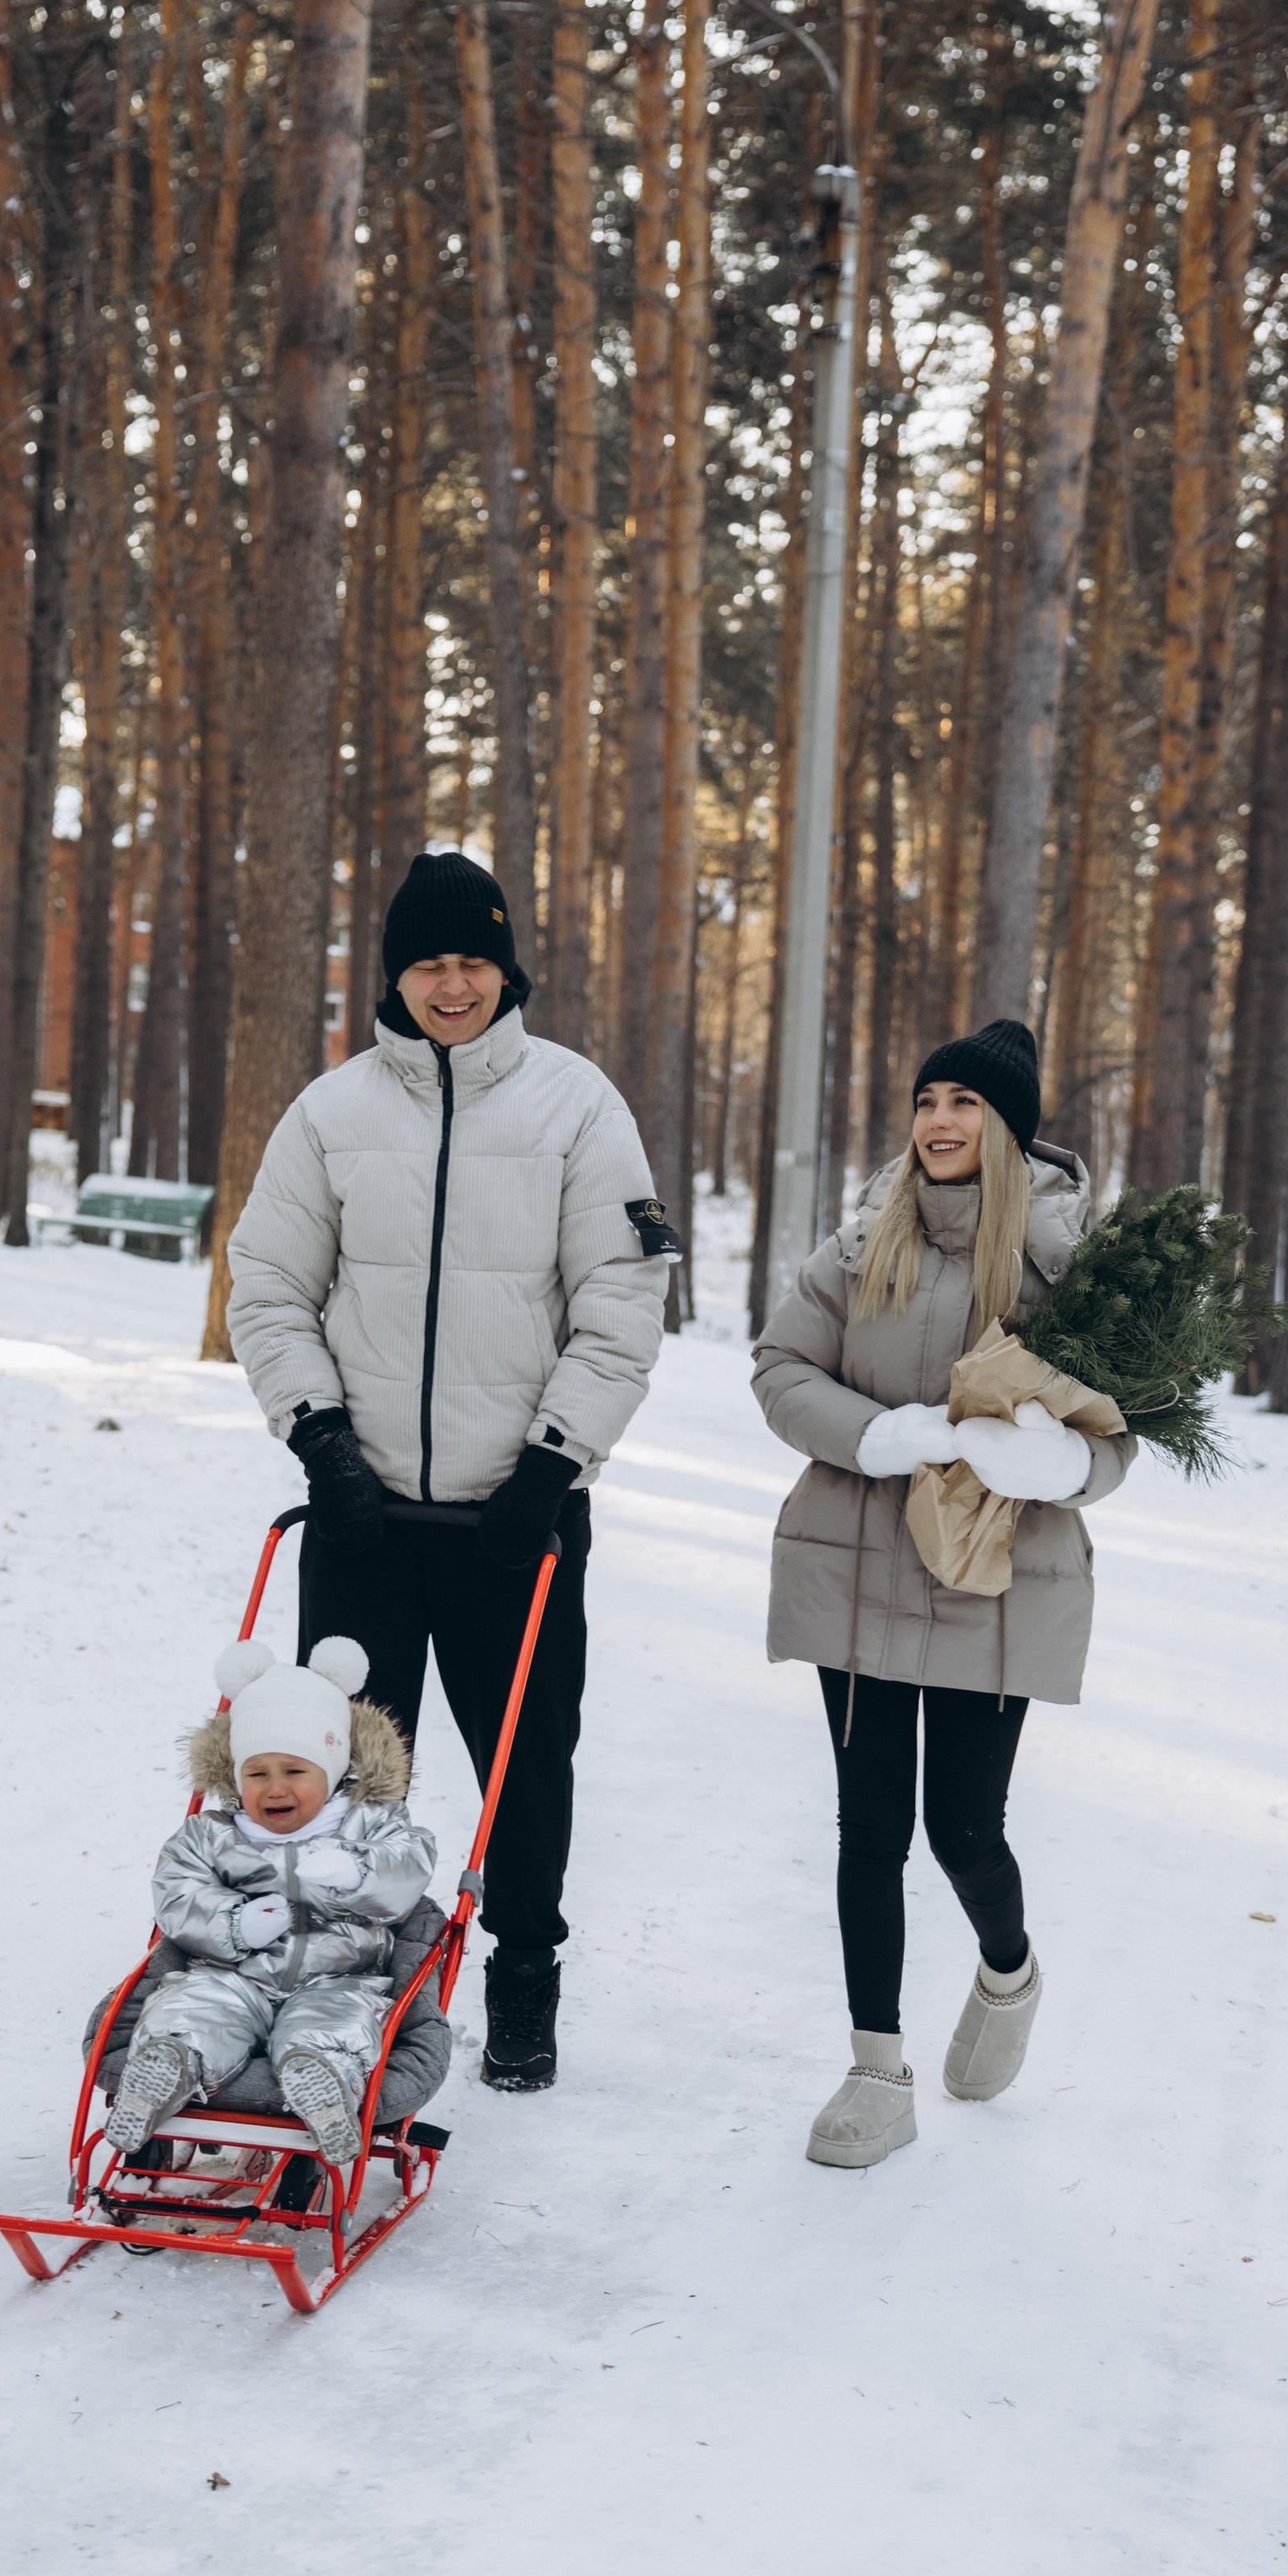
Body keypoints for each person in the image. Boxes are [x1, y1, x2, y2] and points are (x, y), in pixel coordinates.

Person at [225, 849, 676, 2094]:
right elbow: (266, 1286)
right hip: (366, 1521)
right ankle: (343, 1984)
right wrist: (320, 1437)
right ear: (395, 976)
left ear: (506, 968)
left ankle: (522, 1981)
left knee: (525, 1768)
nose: (453, 983)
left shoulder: (577, 1108)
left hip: (512, 1525)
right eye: (428, 963)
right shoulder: (332, 1114)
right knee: (350, 1773)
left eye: (473, 960)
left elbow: (622, 1304)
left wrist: (551, 1467)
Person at [751, 1018, 1137, 2168]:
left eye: (965, 1102)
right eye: (927, 1100)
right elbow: (780, 1369)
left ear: (1009, 1127)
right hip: (860, 1566)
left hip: (997, 1579)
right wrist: (884, 1434)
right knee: (868, 1831)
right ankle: (877, 2070)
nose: (939, 1120)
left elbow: (1126, 1430)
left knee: (962, 1829)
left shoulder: (1072, 1262)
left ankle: (1007, 1975)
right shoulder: (867, 1237)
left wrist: (1062, 1463)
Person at [105, 1635, 437, 2168]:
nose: (274, 1789)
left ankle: (323, 2083)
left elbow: (410, 1868)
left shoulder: (370, 1824)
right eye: (256, 1773)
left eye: (296, 1771)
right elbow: (176, 1895)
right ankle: (165, 2070)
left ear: (331, 1771)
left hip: (339, 1976)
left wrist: (356, 1870)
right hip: (230, 1972)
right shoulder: (211, 1834)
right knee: (193, 2010)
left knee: (333, 2027)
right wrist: (234, 1924)